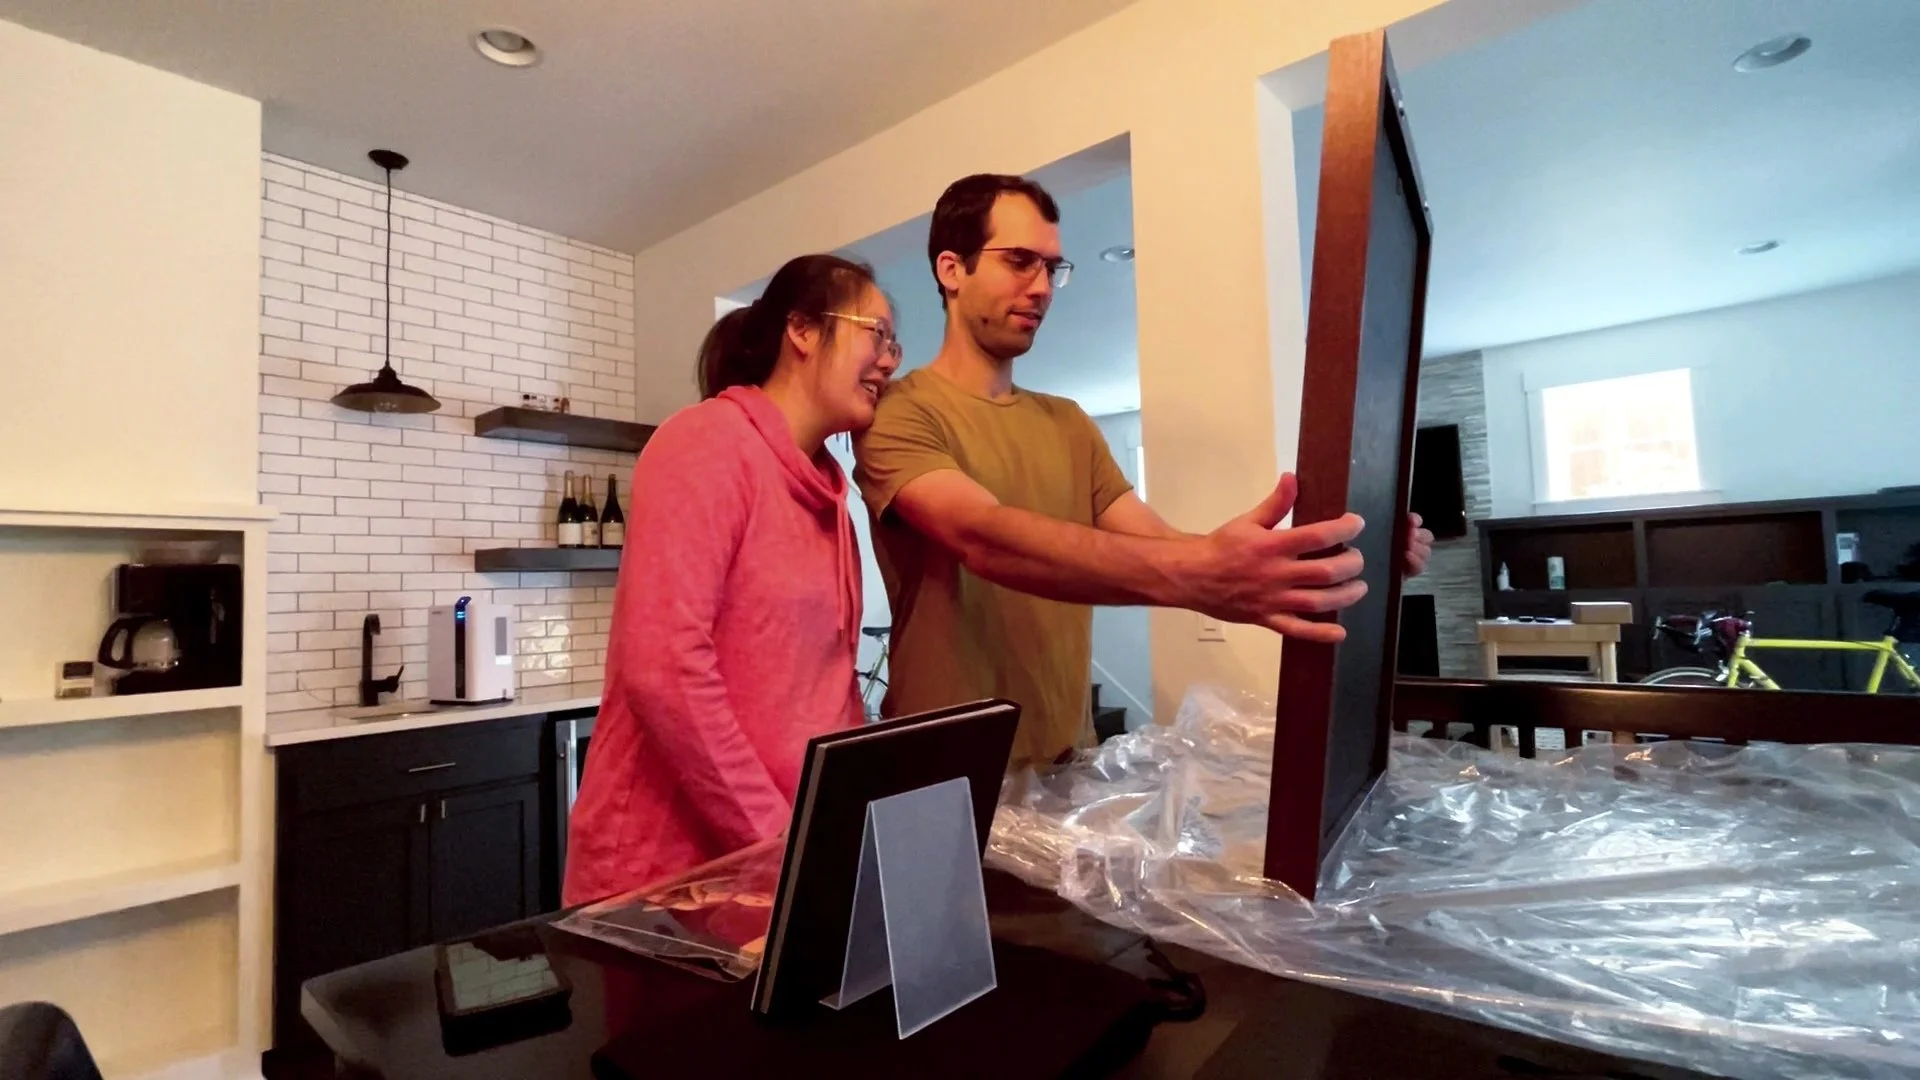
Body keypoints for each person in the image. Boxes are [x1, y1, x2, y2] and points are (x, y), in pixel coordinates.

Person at [853, 174, 1433, 768]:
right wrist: (1201, 576)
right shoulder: (896, 411)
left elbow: (1166, 545)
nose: (1042, 288)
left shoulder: (1069, 424)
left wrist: (1325, 559)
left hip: (1065, 763)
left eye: (1052, 268)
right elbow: (984, 537)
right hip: (937, 771)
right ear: (952, 269)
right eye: (1020, 261)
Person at [564, 254, 902, 905]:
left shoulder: (830, 491)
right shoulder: (706, 442)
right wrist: (781, 845)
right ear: (802, 330)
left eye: (894, 343)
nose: (890, 359)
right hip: (669, 876)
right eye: (876, 334)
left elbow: (823, 691)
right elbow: (665, 670)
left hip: (776, 866)